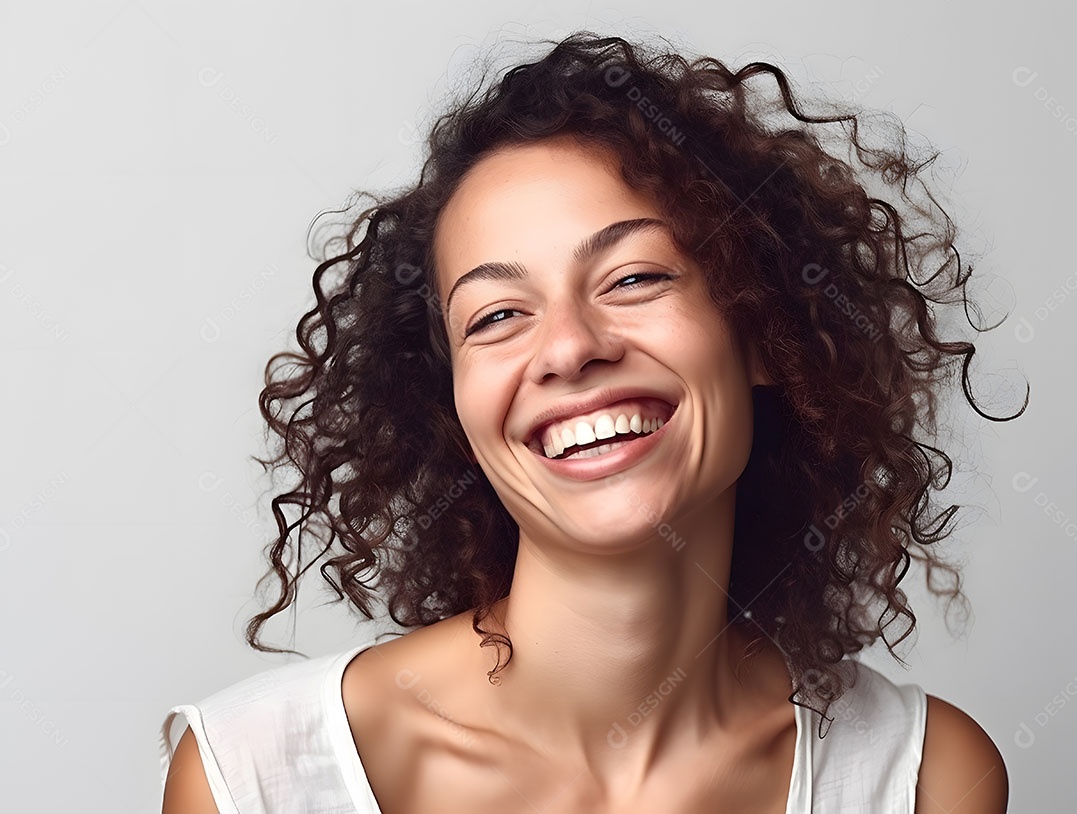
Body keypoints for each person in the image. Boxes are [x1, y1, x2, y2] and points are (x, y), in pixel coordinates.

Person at [160, 31, 1024, 813]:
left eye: (634, 278)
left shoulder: (924, 782)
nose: (569, 348)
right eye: (496, 315)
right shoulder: (253, 778)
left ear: (763, 333)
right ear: (454, 406)